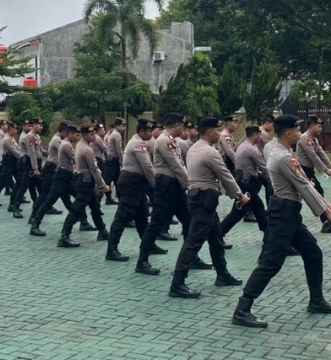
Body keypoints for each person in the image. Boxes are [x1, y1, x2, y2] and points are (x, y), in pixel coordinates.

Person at [232, 115, 331, 328]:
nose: (300, 133)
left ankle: (316, 301)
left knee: (313, 253)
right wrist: (325, 213)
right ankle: (242, 309)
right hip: (284, 213)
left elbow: (304, 184)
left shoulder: (273, 148)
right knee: (270, 264)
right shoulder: (284, 157)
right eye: (297, 129)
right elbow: (303, 185)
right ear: (289, 133)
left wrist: (327, 204)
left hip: (288, 212)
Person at [168, 118, 245, 298]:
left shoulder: (194, 147)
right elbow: (225, 175)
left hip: (198, 198)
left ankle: (222, 274)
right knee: (193, 242)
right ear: (210, 132)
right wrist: (239, 195)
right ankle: (177, 284)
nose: (219, 133)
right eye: (217, 130)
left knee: (216, 238)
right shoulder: (210, 152)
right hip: (204, 199)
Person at [135, 113, 191, 275]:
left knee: (188, 220)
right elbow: (176, 166)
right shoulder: (163, 141)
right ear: (176, 125)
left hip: (175, 186)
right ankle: (142, 261)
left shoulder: (171, 141)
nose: (184, 129)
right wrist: (190, 184)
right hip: (166, 186)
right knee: (156, 223)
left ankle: (190, 257)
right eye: (182, 126)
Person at [104, 119, 159, 262]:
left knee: (141, 216)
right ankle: (112, 249)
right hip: (130, 183)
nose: (150, 133)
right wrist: (155, 185)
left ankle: (148, 244)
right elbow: (147, 166)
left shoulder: (141, 142)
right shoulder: (138, 144)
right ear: (141, 132)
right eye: (148, 131)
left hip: (136, 183)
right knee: (122, 217)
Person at [57, 125, 110, 247]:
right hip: (85, 181)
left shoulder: (81, 145)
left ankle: (102, 231)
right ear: (85, 135)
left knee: (95, 207)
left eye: (94, 134)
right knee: (76, 209)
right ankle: (64, 236)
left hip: (84, 180)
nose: (94, 136)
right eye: (91, 134)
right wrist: (102, 185)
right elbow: (94, 169)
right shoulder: (86, 149)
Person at [295, 116, 331, 233]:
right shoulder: (304, 138)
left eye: (321, 126)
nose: (321, 129)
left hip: (308, 171)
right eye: (319, 126)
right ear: (311, 126)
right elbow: (313, 156)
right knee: (316, 194)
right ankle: (326, 223)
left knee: (316, 194)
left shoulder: (314, 139)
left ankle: (326, 223)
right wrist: (324, 170)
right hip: (303, 170)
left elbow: (322, 154)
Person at [29, 124, 79, 235]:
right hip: (52, 170)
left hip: (62, 173)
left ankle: (79, 217)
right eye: (75, 134)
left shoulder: (63, 141)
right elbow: (74, 157)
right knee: (46, 197)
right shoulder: (59, 141)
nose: (77, 136)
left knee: (68, 197)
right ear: (65, 132)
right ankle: (34, 219)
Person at [221, 126, 270, 236]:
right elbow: (264, 167)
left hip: (244, 182)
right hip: (248, 184)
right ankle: (218, 233)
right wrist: (272, 181)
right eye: (259, 135)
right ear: (254, 135)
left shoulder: (243, 146)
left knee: (259, 209)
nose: (260, 137)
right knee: (237, 212)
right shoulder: (252, 149)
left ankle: (268, 234)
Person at [103, 118, 125, 206]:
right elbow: (119, 150)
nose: (124, 128)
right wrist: (122, 161)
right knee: (107, 181)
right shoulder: (116, 135)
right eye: (122, 126)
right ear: (117, 126)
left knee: (116, 181)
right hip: (112, 161)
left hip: (112, 160)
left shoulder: (115, 134)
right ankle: (102, 198)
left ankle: (118, 199)